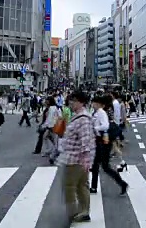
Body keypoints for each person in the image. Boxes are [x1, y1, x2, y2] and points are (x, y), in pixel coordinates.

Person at [58, 91, 96, 224]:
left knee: (70, 186)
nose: (71, 103)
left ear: (81, 102)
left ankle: (74, 212)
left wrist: (86, 159)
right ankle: (83, 211)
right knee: (81, 186)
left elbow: (85, 141)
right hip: (76, 158)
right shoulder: (78, 116)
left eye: (73, 101)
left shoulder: (83, 119)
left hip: (76, 159)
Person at [89, 96, 128, 195]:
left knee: (105, 166)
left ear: (99, 104)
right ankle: (93, 187)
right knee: (95, 165)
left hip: (104, 142)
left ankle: (122, 183)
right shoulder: (96, 112)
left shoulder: (101, 112)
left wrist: (95, 128)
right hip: (99, 141)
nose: (93, 104)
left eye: (94, 103)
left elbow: (105, 126)